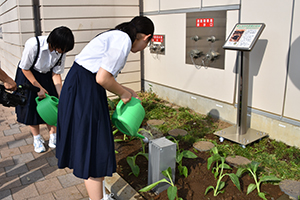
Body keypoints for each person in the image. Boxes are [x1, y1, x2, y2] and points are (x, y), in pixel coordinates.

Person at [56, 16, 154, 200]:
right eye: (146, 45)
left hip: (82, 88)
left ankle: (100, 195)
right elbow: (102, 78)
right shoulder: (123, 40)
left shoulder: (116, 35)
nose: (142, 49)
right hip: (86, 92)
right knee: (94, 148)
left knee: (90, 144)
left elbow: (102, 75)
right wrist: (123, 94)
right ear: (146, 38)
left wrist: (126, 90)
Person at [15, 26, 74, 153]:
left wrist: (61, 94)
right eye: (61, 49)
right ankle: (37, 138)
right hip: (28, 74)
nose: (63, 53)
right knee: (30, 107)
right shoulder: (33, 45)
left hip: (46, 75)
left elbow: (56, 74)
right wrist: (38, 88)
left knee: (52, 106)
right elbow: (24, 68)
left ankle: (53, 135)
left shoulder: (61, 52)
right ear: (54, 43)